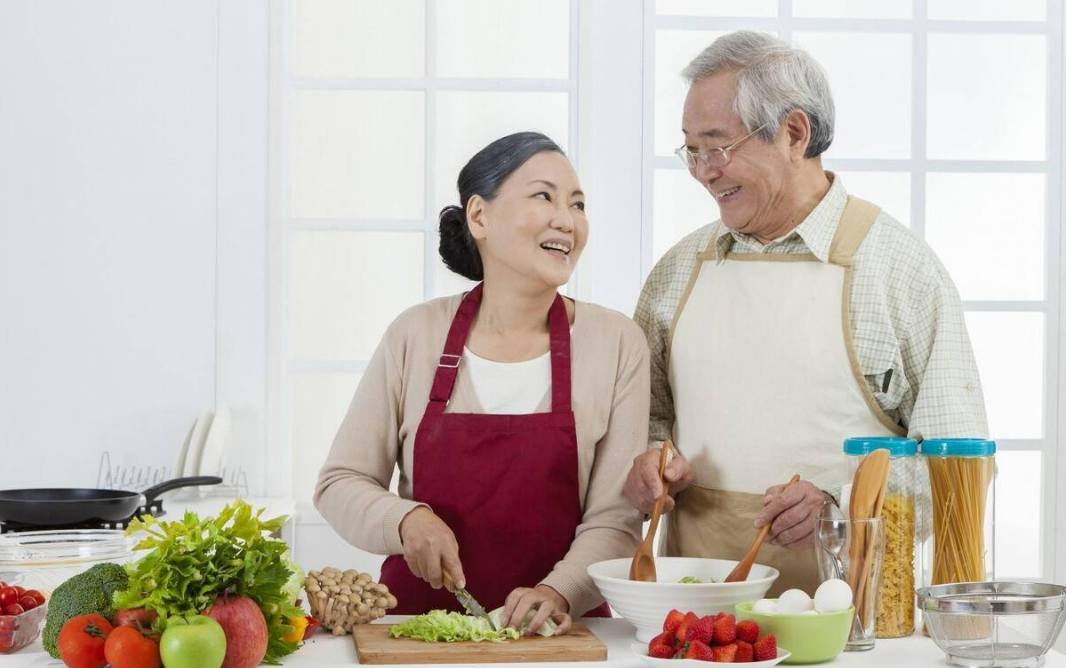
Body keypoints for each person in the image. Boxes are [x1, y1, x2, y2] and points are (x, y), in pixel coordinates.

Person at [624, 31, 987, 595]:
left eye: (717, 147)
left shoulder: (899, 271)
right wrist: (653, 459)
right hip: (698, 623)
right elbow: (649, 417)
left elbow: (958, 467)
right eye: (690, 150)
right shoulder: (676, 273)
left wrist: (843, 507)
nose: (702, 172)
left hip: (854, 629)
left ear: (795, 133)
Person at [315, 132, 650, 634]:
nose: (568, 219)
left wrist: (558, 592)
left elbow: (615, 520)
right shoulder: (415, 334)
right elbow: (339, 482)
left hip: (558, 636)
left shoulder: (617, 342)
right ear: (479, 216)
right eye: (544, 196)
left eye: (578, 204)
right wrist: (405, 520)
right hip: (415, 633)